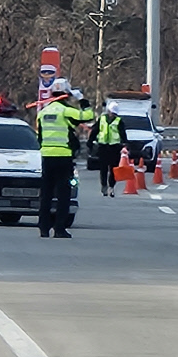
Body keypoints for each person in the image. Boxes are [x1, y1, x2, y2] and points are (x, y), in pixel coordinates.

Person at [36, 80, 94, 238]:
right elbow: (88, 116)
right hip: (63, 156)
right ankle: (59, 228)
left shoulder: (43, 112)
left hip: (46, 156)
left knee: (46, 194)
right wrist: (82, 100)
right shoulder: (66, 111)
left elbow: (39, 136)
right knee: (63, 194)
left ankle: (43, 227)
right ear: (66, 94)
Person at [88, 102, 127, 197]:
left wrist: (125, 144)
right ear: (108, 111)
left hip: (115, 147)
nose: (112, 115)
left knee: (113, 169)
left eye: (114, 113)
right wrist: (90, 141)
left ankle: (111, 187)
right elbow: (95, 130)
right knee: (103, 168)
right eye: (111, 113)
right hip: (103, 146)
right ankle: (104, 186)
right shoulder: (102, 119)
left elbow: (123, 134)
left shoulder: (119, 121)